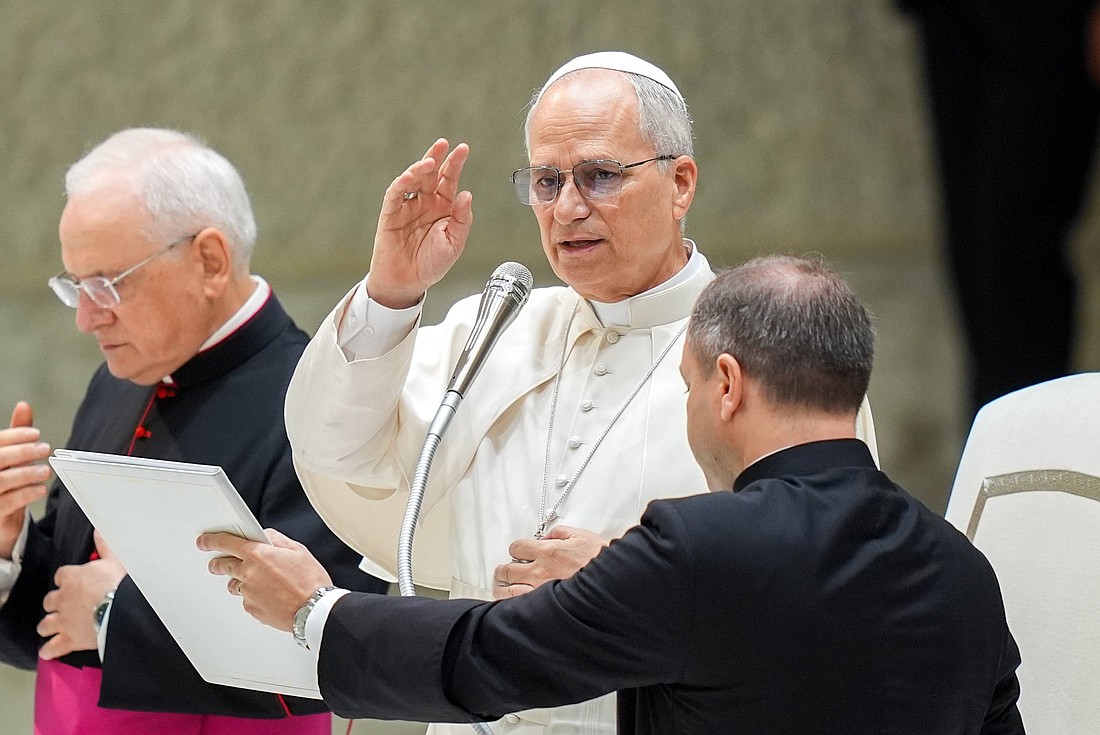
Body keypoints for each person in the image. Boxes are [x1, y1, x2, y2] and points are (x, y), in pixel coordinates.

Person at [281, 50, 877, 735]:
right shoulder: (497, 325)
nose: (567, 207)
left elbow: (823, 592)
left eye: (599, 176)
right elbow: (334, 451)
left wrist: (629, 579)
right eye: (546, 180)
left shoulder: (774, 345)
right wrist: (391, 290)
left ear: (680, 182)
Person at [201, 254, 1024, 734]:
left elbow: (489, 656)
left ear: (727, 386)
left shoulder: (697, 548)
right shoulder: (961, 569)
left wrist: (318, 611)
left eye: (690, 388)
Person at [0, 128, 386, 735]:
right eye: (74, 286)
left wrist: (111, 615)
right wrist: (9, 545)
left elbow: (327, 649)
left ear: (210, 260)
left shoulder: (321, 401)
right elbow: (55, 625)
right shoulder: (120, 377)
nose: (84, 317)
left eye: (107, 284)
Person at [899, 0, 1100, 415]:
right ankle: (999, 451)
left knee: (1013, 251)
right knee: (972, 256)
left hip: (1053, 19)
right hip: (953, 14)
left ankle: (1031, 454)